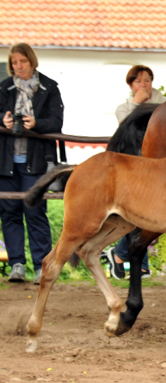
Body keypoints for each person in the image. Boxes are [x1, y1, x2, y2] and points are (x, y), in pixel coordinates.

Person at [0, 43, 64, 284]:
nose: (19, 67)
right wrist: (3, 121)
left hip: (35, 161)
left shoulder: (49, 87)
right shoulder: (4, 87)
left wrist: (36, 123)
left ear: (32, 61)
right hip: (6, 161)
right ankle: (17, 265)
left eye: (22, 62)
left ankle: (41, 266)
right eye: (14, 63)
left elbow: (57, 122)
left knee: (35, 211)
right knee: (10, 213)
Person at [105, 65, 166, 279]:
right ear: (131, 85)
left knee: (151, 214)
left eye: (147, 80)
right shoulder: (123, 108)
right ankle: (135, 261)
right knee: (138, 213)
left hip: (157, 167)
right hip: (132, 167)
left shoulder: (165, 105)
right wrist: (137, 104)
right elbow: (125, 127)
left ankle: (122, 255)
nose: (144, 85)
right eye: (139, 81)